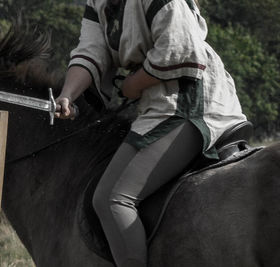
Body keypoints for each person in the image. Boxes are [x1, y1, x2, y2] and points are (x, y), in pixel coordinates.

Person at [55, 0, 247, 266]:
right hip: (158, 103)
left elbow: (182, 49)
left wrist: (134, 83)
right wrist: (67, 95)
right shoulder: (96, 2)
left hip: (190, 103)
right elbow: (90, 51)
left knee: (112, 199)